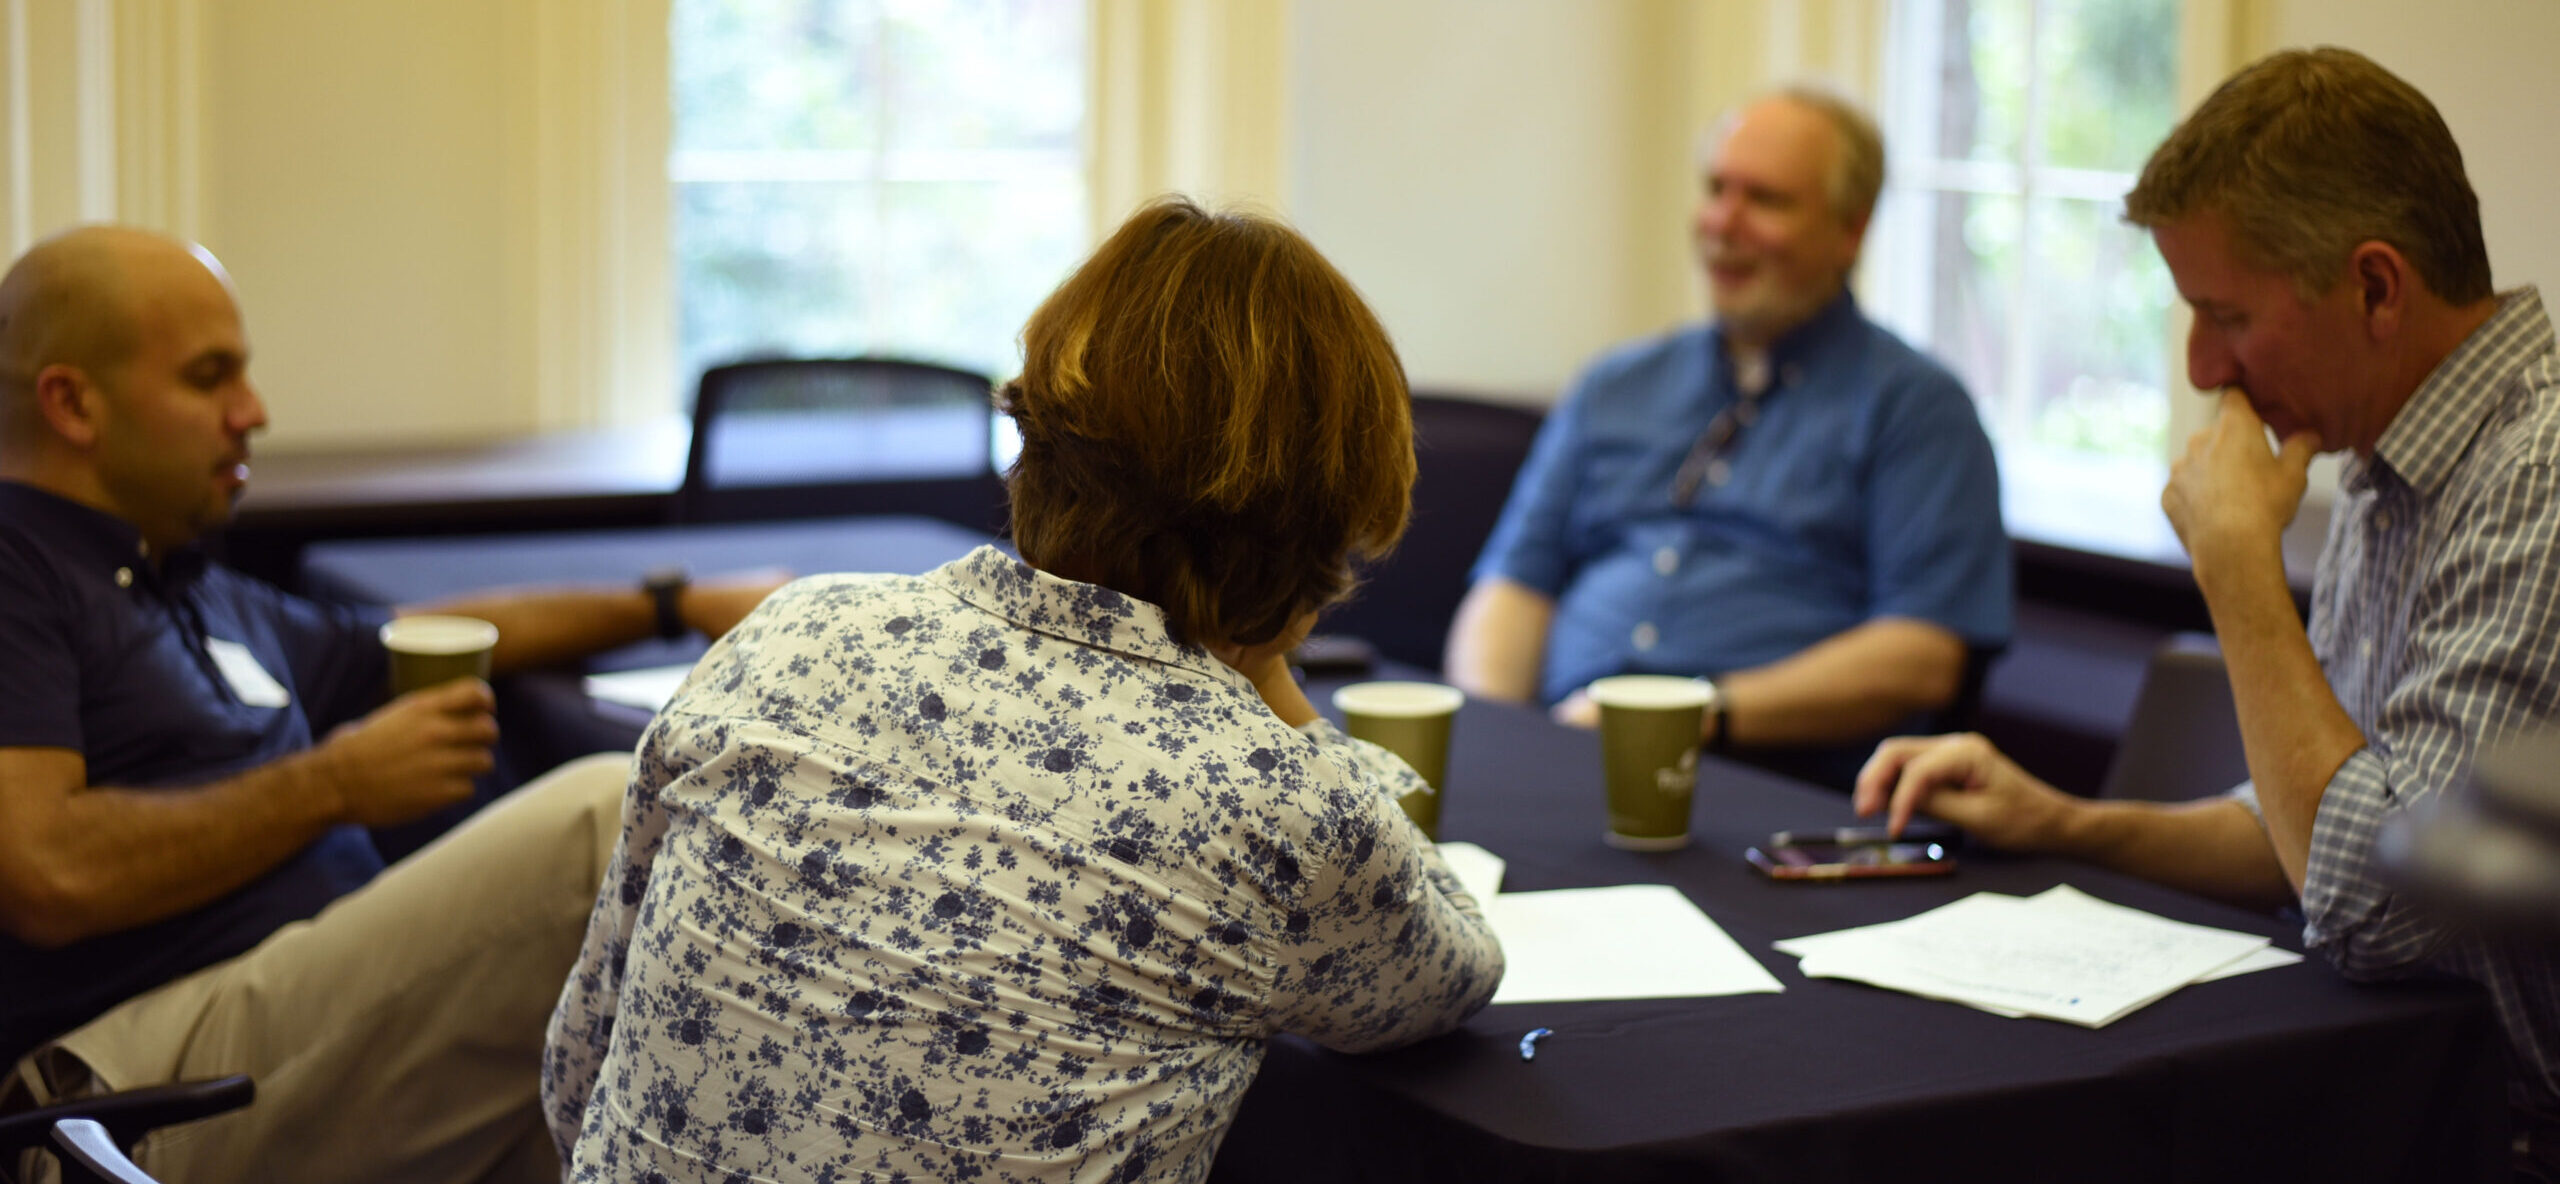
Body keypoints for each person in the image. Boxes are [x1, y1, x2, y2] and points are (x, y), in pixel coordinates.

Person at [544, 197, 1507, 1183]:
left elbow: (579, 1076)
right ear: (1326, 519)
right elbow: (1450, 972)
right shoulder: (1279, 798)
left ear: (1039, 441)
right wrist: (1268, 674)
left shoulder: (791, 630)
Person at [1856, 48, 2560, 1174]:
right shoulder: (2389, 458)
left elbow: (2372, 903)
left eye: (2223, 313)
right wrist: (2058, 820)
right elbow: (2306, 826)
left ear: (2376, 286)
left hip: (2502, 1136)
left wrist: (2238, 568)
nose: (2198, 367)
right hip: (2391, 1092)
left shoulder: (2537, 474)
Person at [0, 224, 781, 1182]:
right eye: (209, 378)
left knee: (591, 1102)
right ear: (72, 403)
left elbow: (426, 633)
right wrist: (333, 785)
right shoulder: (19, 570)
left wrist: (669, 601)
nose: (253, 412)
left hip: (280, 1035)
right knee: (596, 824)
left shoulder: (183, 583)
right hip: (115, 1096)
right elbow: (43, 873)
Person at [1446, 85, 2011, 790]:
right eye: (1716, 189)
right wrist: (1495, 735)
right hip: (1564, 756)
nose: (1723, 223)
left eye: (1766, 200)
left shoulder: (1919, 410)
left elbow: (1921, 657)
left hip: (1759, 781)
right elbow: (1512, 589)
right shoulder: (1616, 384)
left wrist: (1688, 716)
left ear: (1850, 231)